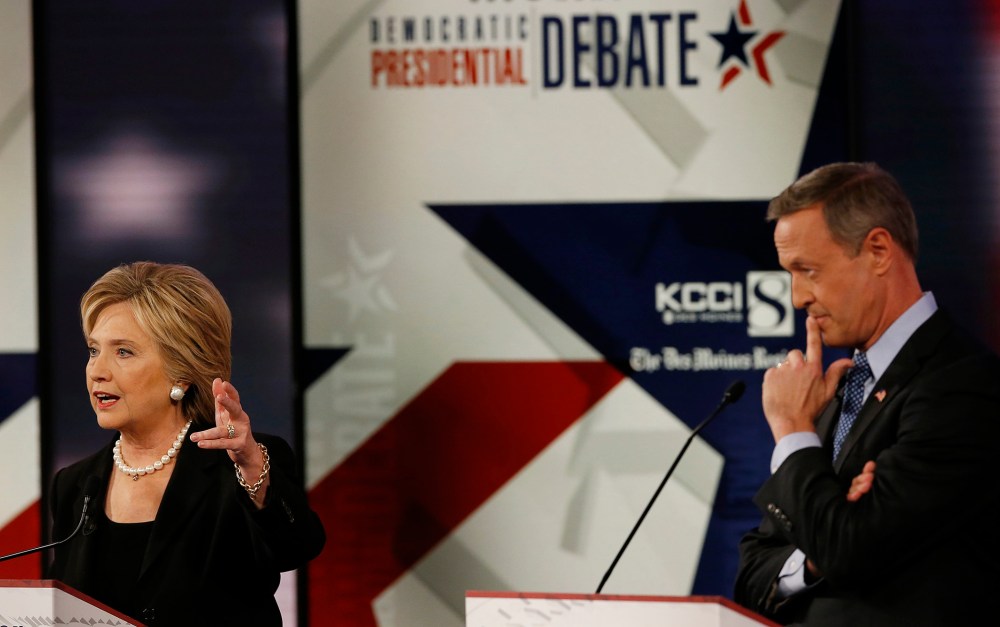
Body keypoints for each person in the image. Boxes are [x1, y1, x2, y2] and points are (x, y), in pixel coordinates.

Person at [733, 163, 1000, 625]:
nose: (797, 298)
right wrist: (815, 558)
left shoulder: (962, 384)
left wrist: (793, 431)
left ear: (878, 250)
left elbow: (850, 551)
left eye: (808, 270)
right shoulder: (836, 391)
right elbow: (754, 572)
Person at [45, 262, 326, 626]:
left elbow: (297, 546)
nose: (97, 370)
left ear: (181, 369)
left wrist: (251, 465)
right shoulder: (75, 485)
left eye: (124, 352)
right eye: (93, 350)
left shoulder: (238, 465)